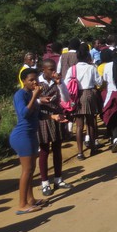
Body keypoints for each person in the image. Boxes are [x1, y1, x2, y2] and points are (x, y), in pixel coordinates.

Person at [10, 68, 46, 214]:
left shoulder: (30, 94)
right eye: (31, 80)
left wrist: (53, 117)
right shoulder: (20, 95)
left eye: (35, 79)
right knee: (27, 170)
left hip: (31, 135)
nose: (34, 82)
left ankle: (30, 200)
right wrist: (35, 97)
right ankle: (22, 204)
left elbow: (36, 115)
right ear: (23, 81)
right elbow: (24, 114)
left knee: (31, 170)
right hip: (22, 136)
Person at [36, 60, 73, 196]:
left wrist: (60, 83)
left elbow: (66, 98)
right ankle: (45, 182)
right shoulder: (37, 82)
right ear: (43, 69)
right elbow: (30, 101)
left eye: (54, 70)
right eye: (50, 70)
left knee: (57, 148)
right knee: (44, 150)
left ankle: (58, 179)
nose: (53, 72)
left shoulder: (56, 82)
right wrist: (40, 100)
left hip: (57, 116)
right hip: (43, 118)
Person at [64, 44, 103, 160]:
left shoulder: (72, 69)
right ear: (87, 57)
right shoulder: (91, 68)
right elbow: (99, 82)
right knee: (90, 122)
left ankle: (80, 152)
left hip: (77, 96)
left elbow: (66, 84)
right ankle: (92, 148)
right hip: (89, 94)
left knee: (79, 126)